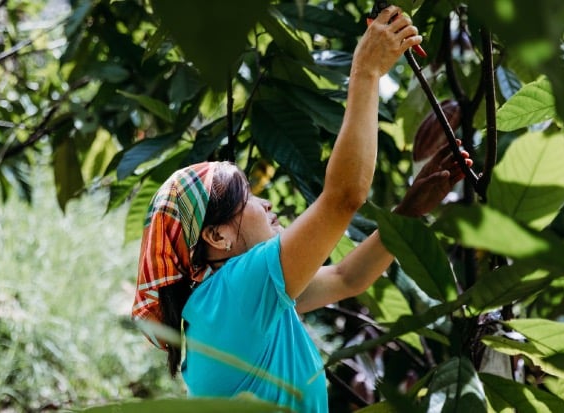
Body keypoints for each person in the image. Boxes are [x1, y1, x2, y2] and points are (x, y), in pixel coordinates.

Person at [132, 6, 472, 413]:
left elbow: (349, 276)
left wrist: (409, 210)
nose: (267, 202)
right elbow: (344, 197)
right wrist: (364, 73)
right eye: (250, 198)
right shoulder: (235, 291)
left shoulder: (224, 304)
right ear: (217, 236)